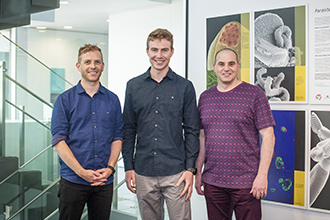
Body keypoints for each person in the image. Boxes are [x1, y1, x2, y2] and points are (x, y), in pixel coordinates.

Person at [122, 28, 200, 220]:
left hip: (176, 172)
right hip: (143, 171)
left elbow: (191, 130)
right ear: (147, 51)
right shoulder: (133, 86)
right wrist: (128, 167)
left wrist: (190, 169)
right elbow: (129, 129)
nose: (159, 55)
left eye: (164, 50)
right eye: (154, 50)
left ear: (172, 52)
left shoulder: (184, 86)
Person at [195, 48, 275, 220]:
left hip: (246, 182)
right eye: (221, 64)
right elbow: (202, 138)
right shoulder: (205, 97)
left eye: (231, 63)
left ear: (238, 66)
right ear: (214, 67)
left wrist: (262, 176)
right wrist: (198, 171)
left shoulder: (255, 94)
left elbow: (268, 136)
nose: (226, 68)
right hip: (213, 182)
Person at [51, 44, 124, 220]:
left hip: (103, 181)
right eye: (87, 62)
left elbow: (117, 137)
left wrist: (110, 168)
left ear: (103, 66)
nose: (93, 66)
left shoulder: (112, 99)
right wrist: (81, 172)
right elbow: (58, 142)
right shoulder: (64, 100)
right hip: (73, 181)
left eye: (97, 62)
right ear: (79, 66)